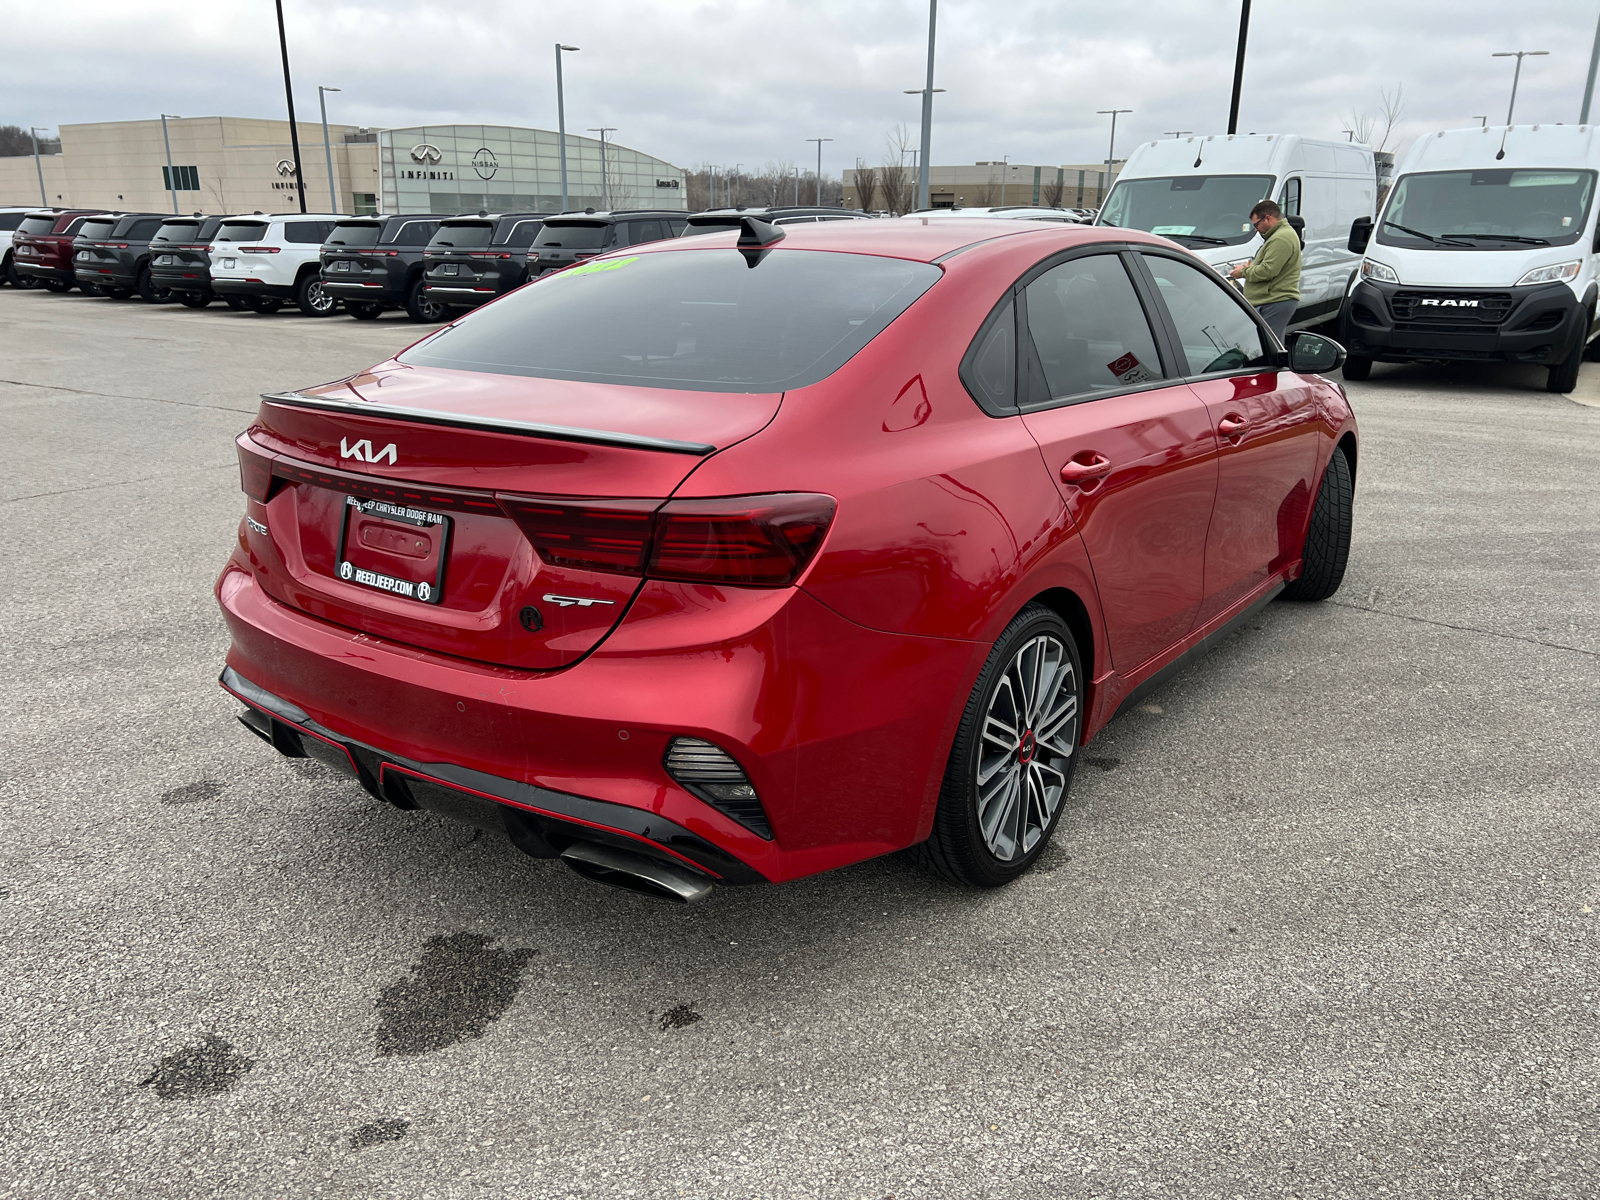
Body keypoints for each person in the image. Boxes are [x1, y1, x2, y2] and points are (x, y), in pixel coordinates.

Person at [1228, 199, 1300, 341]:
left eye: (1256, 224)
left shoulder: (1281, 238)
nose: (1256, 229)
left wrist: (1242, 272)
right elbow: (1270, 266)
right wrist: (1248, 267)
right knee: (1272, 345)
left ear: (1268, 218)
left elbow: (1268, 270)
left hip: (1274, 301)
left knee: (1264, 344)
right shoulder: (1280, 235)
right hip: (1272, 301)